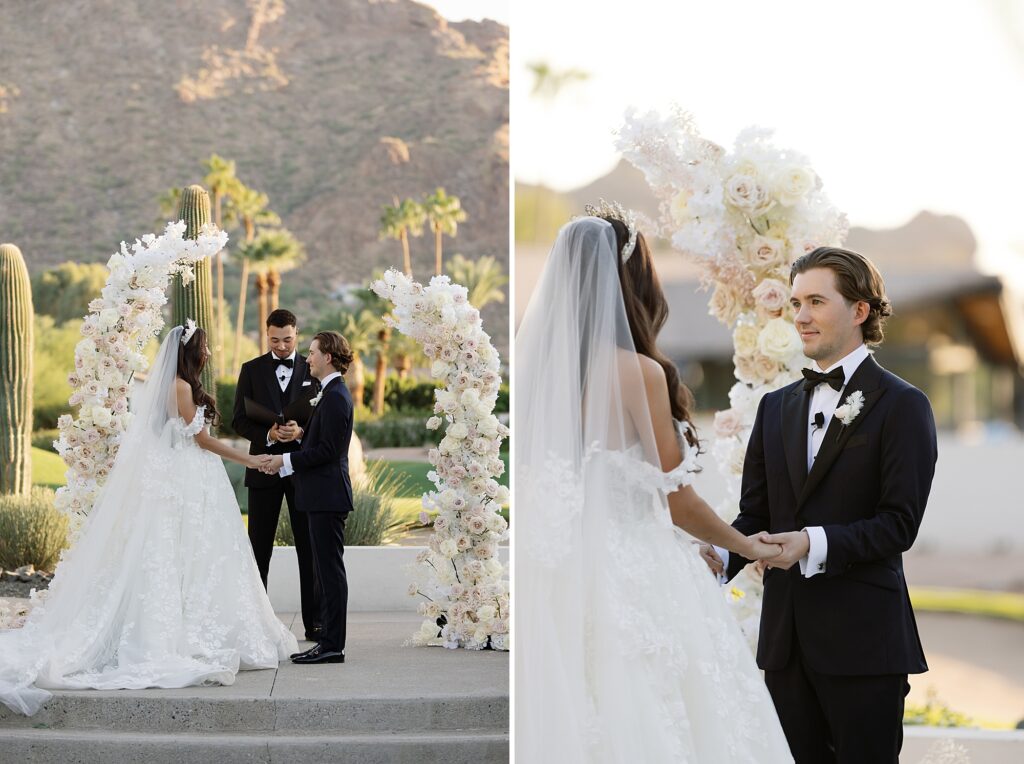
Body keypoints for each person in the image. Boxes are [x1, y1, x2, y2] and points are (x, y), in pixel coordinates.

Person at [515, 207, 793, 762]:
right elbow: (676, 499)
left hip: (563, 574)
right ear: (632, 277)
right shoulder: (637, 372)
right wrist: (744, 545)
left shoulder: (540, 375)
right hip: (637, 574)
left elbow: (586, 486)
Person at [701, 247, 937, 763]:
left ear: (860, 310)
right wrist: (722, 556)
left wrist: (812, 543)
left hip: (865, 643)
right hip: (785, 646)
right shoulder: (775, 406)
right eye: (795, 302)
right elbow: (755, 516)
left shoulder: (903, 405)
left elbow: (899, 525)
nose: (801, 316)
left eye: (815, 301)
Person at [0, 323, 298, 716]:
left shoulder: (180, 385)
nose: (208, 353)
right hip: (188, 477)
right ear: (192, 352)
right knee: (186, 553)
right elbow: (202, 440)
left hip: (191, 476)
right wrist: (252, 458)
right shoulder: (180, 387)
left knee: (198, 556)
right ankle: (177, 634)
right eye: (205, 348)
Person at [258, 331, 355, 665]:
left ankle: (332, 646)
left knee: (329, 574)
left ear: (328, 356)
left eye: (312, 352)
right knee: (325, 574)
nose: (307, 358)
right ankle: (328, 642)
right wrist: (297, 443)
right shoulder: (329, 394)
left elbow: (328, 452)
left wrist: (283, 461)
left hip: (327, 497)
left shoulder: (336, 397)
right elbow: (318, 446)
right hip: (321, 496)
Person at [232, 308, 321, 643]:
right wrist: (269, 434)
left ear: (296, 333)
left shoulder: (314, 369)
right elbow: (239, 420)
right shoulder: (251, 370)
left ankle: (315, 625)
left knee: (308, 549)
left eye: (287, 339)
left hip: (302, 469)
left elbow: (323, 416)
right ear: (265, 335)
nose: (281, 346)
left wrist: (301, 431)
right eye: (274, 340)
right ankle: (257, 625)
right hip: (264, 469)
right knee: (259, 550)